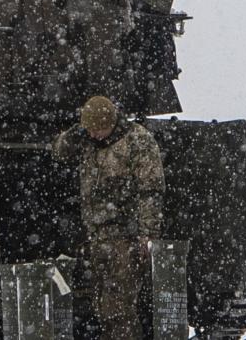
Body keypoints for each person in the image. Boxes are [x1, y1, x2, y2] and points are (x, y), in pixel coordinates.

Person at [52, 94, 165, 340]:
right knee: (102, 307)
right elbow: (59, 151)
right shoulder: (88, 140)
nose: (94, 135)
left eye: (98, 129)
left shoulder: (137, 141)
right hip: (97, 238)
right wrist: (78, 131)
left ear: (111, 123)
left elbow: (151, 190)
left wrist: (147, 234)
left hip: (126, 238)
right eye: (90, 130)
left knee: (119, 309)